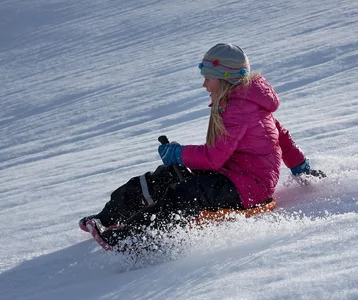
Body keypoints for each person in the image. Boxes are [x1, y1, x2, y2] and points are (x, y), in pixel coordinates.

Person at [79, 43, 325, 252]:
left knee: (186, 192)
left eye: (208, 79)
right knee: (165, 177)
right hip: (233, 175)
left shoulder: (238, 109)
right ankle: (106, 219)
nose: (204, 86)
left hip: (249, 187)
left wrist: (177, 153)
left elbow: (213, 159)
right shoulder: (247, 102)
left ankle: (132, 240)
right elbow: (283, 138)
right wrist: (301, 167)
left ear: (225, 79)